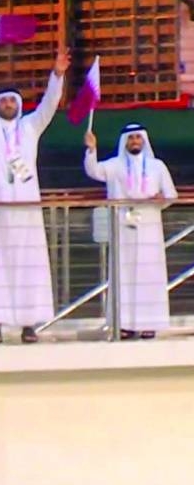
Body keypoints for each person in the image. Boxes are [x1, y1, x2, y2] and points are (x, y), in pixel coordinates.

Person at [0, 50, 68, 343]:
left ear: (19, 105)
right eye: (3, 101)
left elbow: (50, 106)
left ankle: (28, 323)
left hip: (26, 209)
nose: (9, 104)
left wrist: (58, 75)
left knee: (29, 264)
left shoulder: (30, 128)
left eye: (13, 100)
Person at [84, 125, 177, 339]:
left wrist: (161, 200)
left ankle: (149, 323)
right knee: (123, 274)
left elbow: (171, 194)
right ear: (125, 142)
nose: (135, 141)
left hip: (150, 227)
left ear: (143, 140)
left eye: (138, 137)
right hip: (123, 229)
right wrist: (91, 150)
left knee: (149, 275)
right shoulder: (115, 165)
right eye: (131, 138)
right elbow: (94, 171)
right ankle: (124, 324)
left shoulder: (157, 166)